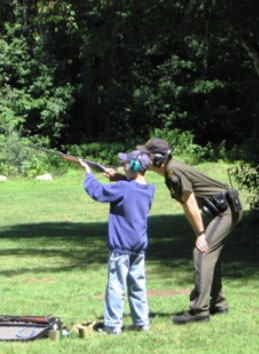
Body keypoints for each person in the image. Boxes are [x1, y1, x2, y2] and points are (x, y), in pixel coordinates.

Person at [135, 138, 243, 324]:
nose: (142, 157)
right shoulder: (170, 171)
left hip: (225, 212)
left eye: (146, 154)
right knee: (210, 255)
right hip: (222, 210)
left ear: (158, 158)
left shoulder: (173, 171)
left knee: (202, 252)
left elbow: (190, 202)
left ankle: (199, 311)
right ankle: (218, 304)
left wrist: (200, 233)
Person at [79, 151, 155, 334]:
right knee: (137, 285)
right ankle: (141, 322)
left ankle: (112, 325)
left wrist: (88, 173)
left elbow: (97, 192)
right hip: (138, 246)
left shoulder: (123, 187)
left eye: (126, 164)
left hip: (121, 246)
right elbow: (132, 186)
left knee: (116, 286)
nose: (123, 166)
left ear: (135, 167)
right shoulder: (149, 188)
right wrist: (118, 177)